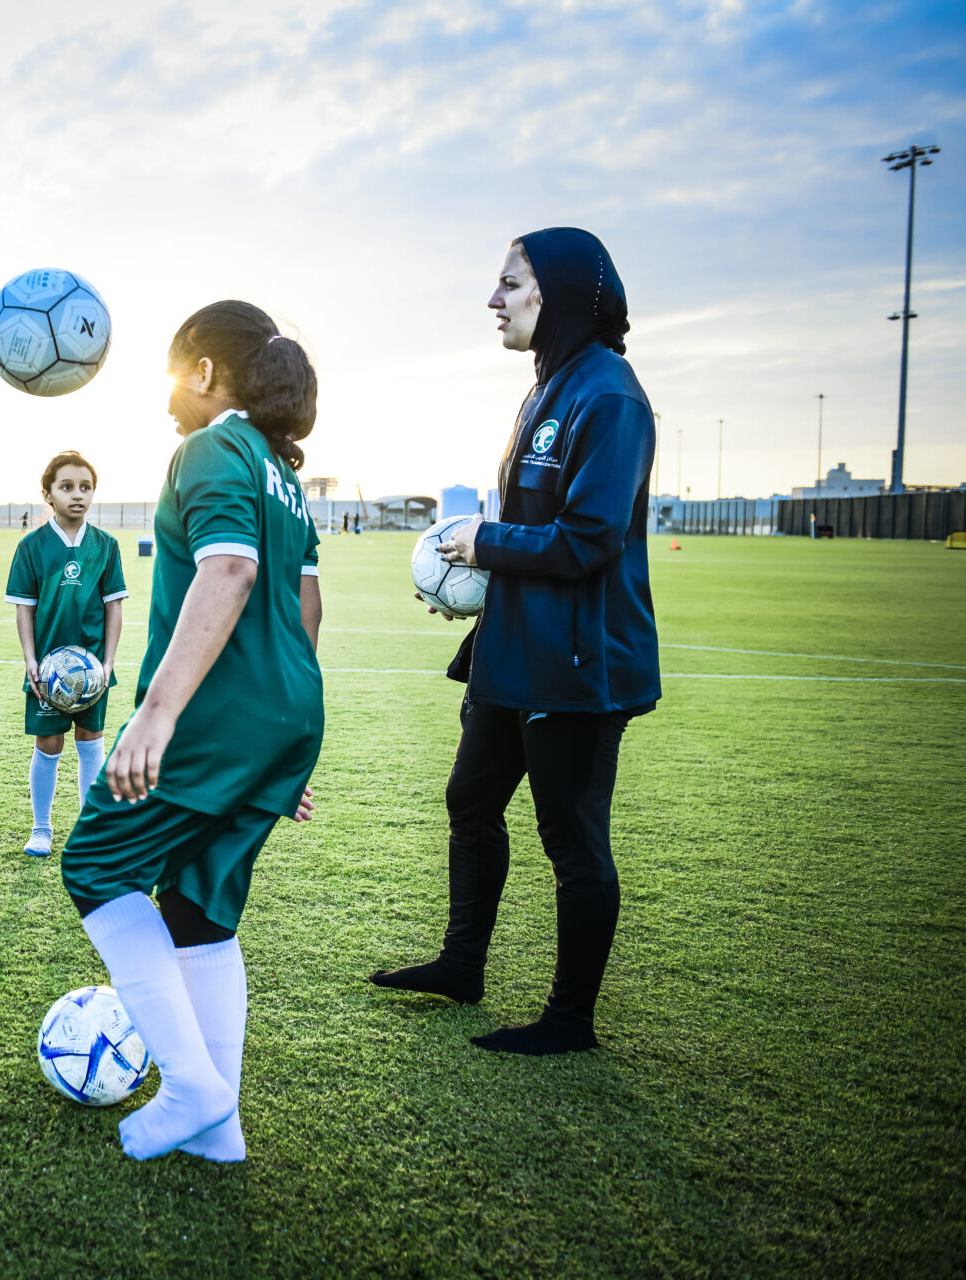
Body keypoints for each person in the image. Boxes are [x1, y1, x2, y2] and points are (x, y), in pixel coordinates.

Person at [371, 228, 660, 1056]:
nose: (493, 301)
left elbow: (588, 539)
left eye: (509, 285)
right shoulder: (546, 388)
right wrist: (470, 580)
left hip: (575, 661)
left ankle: (570, 1022)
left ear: (560, 294)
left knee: (572, 841)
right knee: (470, 800)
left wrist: (482, 550)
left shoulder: (610, 396)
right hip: (511, 650)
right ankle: (462, 966)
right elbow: (529, 524)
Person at [61, 301, 323, 1163]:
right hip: (281, 716)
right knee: (200, 907)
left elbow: (232, 569)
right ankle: (222, 1132)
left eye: (176, 370)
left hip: (215, 717)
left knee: (96, 864)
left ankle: (192, 1085)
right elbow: (304, 603)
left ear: (206, 372)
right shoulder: (282, 468)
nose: (169, 394)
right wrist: (278, 750)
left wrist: (160, 710)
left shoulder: (211, 447)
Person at [5, 451, 127, 857]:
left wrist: (108, 662)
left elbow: (114, 606)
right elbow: (24, 607)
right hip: (49, 671)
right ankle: (41, 828)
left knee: (91, 739)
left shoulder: (106, 546)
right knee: (49, 742)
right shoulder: (32, 546)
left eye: (85, 487)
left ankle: (90, 827)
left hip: (91, 669)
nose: (78, 495)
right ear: (48, 493)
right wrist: (30, 660)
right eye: (67, 487)